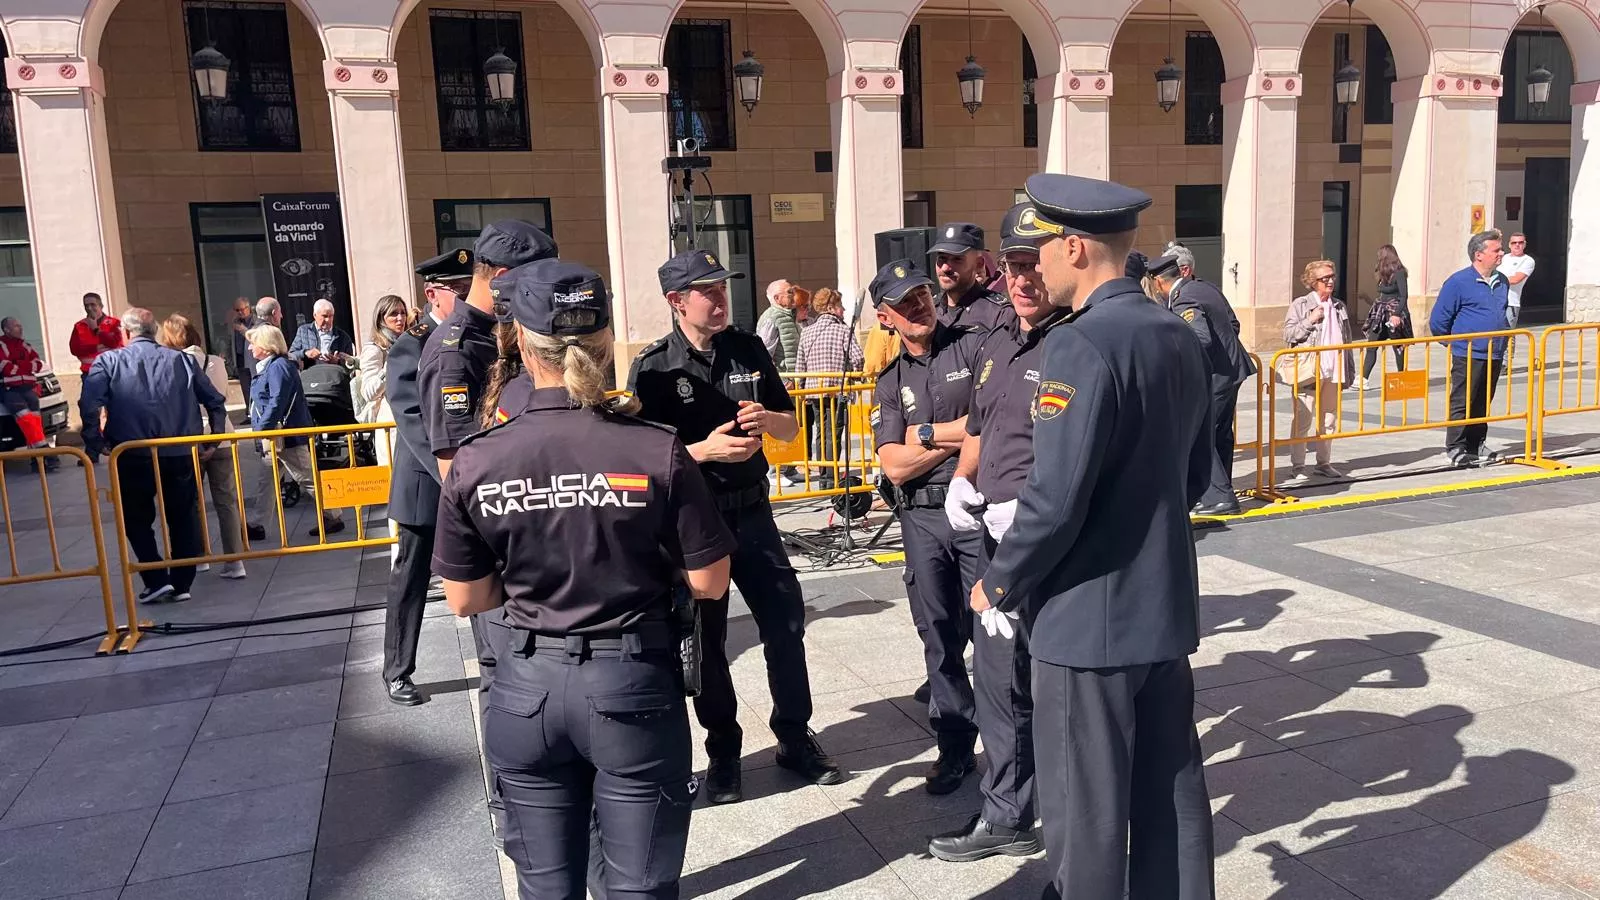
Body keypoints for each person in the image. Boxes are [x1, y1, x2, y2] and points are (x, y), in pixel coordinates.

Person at [435, 258, 735, 900]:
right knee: (639, 886)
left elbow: (466, 597)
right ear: (605, 343)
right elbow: (709, 581)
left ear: (519, 342)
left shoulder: (479, 457)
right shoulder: (655, 448)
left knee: (546, 888)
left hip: (523, 686)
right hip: (631, 683)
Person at [969, 172, 1217, 900]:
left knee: (1086, 816)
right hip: (1162, 610)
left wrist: (1001, 579)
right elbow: (1196, 475)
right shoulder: (1174, 331)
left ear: (1075, 248)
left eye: (1040, 248)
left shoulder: (1079, 346)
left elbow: (1053, 499)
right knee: (1171, 795)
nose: (1031, 265)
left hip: (1085, 623)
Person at [628, 249, 842, 805]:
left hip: (754, 514)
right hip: (695, 523)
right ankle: (723, 750)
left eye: (723, 287)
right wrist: (702, 451)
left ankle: (794, 736)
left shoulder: (748, 348)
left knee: (785, 625)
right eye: (707, 291)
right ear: (677, 301)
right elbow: (647, 457)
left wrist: (768, 421)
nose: (721, 298)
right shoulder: (653, 367)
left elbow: (792, 427)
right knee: (709, 640)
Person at [420, 220, 558, 839]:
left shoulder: (502, 333)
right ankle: (513, 804)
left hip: (532, 533)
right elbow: (458, 468)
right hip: (502, 544)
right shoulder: (458, 348)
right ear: (501, 280)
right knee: (508, 679)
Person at [932, 201, 1054, 862]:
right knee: (999, 680)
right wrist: (962, 479)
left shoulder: (1073, 342)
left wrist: (1024, 515)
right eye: (1015, 267)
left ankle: (1059, 813)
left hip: (1046, 547)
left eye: (1034, 266)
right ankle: (1007, 811)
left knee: (1049, 685)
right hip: (993, 539)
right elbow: (980, 424)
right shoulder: (1000, 341)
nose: (1024, 280)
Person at [870, 257, 986, 796]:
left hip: (978, 508)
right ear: (885, 316)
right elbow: (891, 465)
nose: (917, 306)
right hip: (920, 516)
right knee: (938, 638)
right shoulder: (889, 379)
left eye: (920, 294)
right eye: (903, 302)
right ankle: (956, 745)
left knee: (995, 630)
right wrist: (951, 434)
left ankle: (1015, 745)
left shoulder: (973, 344)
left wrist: (923, 435)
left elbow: (994, 423)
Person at [80, 308, 228, 604]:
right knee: (182, 516)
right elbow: (215, 400)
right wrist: (214, 436)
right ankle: (182, 582)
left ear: (124, 332)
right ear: (155, 330)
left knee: (136, 518)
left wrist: (96, 441)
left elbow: (89, 404)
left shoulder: (108, 361)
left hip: (132, 452)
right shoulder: (182, 360)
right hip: (177, 452)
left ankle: (156, 578)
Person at [381, 249, 473, 708]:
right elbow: (410, 413)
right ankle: (398, 669)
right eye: (454, 289)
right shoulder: (412, 342)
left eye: (466, 287)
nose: (462, 296)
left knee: (482, 566)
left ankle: (498, 659)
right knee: (412, 575)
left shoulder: (477, 335)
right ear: (432, 293)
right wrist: (448, 468)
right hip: (427, 479)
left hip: (474, 476)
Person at [1148, 246, 1257, 516]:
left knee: (1200, 434)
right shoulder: (1206, 287)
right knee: (1220, 432)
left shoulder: (1183, 298)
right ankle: (1222, 488)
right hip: (1232, 369)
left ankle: (1220, 498)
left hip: (1215, 375)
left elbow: (1200, 337)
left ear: (1160, 281)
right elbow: (1233, 323)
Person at [158, 314, 247, 580]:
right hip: (223, 435)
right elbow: (222, 397)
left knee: (192, 500)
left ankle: (199, 556)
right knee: (227, 501)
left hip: (191, 437)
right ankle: (235, 561)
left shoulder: (172, 363)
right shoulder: (217, 361)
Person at [245, 324, 345, 538]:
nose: (249, 348)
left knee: (306, 477)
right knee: (268, 480)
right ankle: (257, 524)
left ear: (265, 345)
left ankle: (333, 515)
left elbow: (277, 401)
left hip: (284, 435)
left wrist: (263, 429)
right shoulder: (273, 366)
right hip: (277, 435)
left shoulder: (279, 366)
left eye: (253, 343)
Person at [1431, 229, 1511, 468]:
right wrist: (1454, 343)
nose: (1501, 253)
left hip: (1494, 352)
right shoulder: (1458, 282)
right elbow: (1438, 320)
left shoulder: (1502, 281)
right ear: (1479, 255)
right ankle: (1456, 446)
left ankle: (1477, 444)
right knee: (1462, 400)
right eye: (1496, 250)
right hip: (1467, 352)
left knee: (1483, 401)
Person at [1282, 260, 1355, 486]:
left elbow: (1347, 339)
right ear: (1314, 282)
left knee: (1329, 419)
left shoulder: (1339, 306)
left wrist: (1349, 371)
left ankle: (1323, 463)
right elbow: (1289, 334)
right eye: (1325, 278)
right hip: (1309, 370)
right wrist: (1310, 319)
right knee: (1303, 419)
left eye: (1332, 277)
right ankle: (1298, 466)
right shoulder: (1301, 304)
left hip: (1333, 369)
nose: (1331, 281)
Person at [795, 287, 863, 489]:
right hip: (836, 389)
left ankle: (824, 476)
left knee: (820, 431)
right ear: (832, 308)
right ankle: (832, 476)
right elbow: (858, 358)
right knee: (834, 432)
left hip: (813, 390)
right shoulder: (843, 330)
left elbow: (800, 364)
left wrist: (802, 389)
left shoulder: (807, 332)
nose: (843, 310)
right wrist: (855, 376)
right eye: (840, 306)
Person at [929, 222, 1011, 332]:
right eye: (942, 258)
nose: (945, 268)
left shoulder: (998, 314)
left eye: (957, 259)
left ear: (979, 264)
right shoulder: (930, 311)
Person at [1361, 244, 1412, 389]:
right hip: (1380, 313)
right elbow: (1382, 294)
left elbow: (1403, 296)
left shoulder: (1399, 273)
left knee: (1398, 346)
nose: (1378, 259)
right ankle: (1364, 378)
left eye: (1380, 256)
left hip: (1394, 312)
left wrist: (1396, 315)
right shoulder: (1382, 273)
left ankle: (1401, 377)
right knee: (1372, 344)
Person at [357, 294, 409, 424]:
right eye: (394, 314)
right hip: (389, 422)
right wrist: (389, 368)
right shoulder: (374, 349)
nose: (400, 318)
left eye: (403, 313)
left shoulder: (409, 343)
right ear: (381, 319)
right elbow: (369, 393)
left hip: (411, 416)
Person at [289, 298, 355, 368]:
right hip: (310, 375)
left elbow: (352, 363)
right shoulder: (304, 331)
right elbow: (291, 355)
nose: (328, 320)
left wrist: (337, 362)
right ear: (315, 315)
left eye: (331, 316)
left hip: (334, 375)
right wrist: (305, 353)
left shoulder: (342, 337)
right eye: (325, 316)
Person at [69, 292, 123, 375]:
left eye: (93, 304)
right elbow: (75, 350)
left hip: (112, 371)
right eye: (86, 305)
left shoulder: (114, 323)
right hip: (90, 372)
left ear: (101, 305)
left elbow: (115, 343)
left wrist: (96, 330)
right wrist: (96, 348)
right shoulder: (79, 325)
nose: (89, 308)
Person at [1498, 232, 1534, 329]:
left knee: (1508, 334)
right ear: (1509, 244)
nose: (1517, 245)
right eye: (1514, 243)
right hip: (1497, 300)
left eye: (1520, 242)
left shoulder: (1528, 260)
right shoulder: (1504, 258)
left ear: (1524, 244)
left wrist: (1494, 279)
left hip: (1511, 302)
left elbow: (1515, 279)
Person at [229, 298, 258, 403]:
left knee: (256, 386)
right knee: (246, 389)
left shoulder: (256, 321)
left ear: (248, 308)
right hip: (240, 359)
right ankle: (249, 412)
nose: (240, 312)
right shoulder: (234, 323)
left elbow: (258, 337)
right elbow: (231, 342)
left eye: (242, 309)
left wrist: (244, 330)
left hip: (254, 359)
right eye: (237, 310)